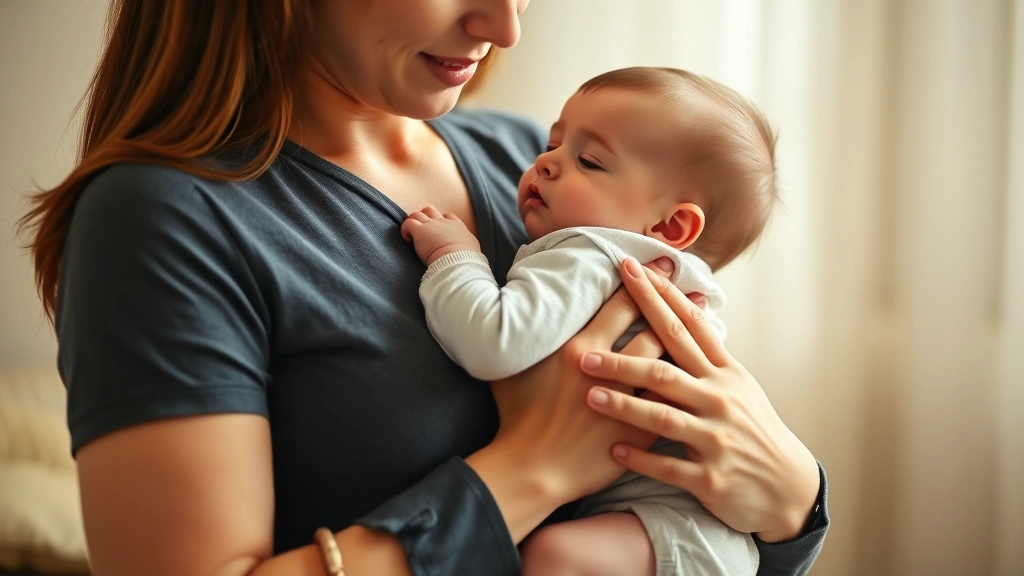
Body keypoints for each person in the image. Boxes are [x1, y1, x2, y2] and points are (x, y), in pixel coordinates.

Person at [18, 2, 829, 575]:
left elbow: (734, 523)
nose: (504, 25)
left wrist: (793, 499)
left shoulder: (524, 164)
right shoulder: (165, 219)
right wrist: (533, 469)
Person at [401, 66, 775, 576]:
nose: (547, 161)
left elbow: (494, 341)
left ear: (670, 225)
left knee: (553, 558)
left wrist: (454, 255)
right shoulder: (657, 271)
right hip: (703, 529)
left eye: (590, 160)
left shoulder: (591, 251)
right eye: (554, 143)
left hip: (667, 527)